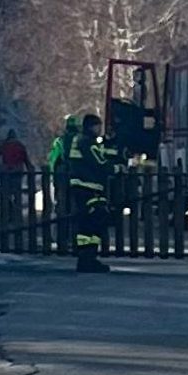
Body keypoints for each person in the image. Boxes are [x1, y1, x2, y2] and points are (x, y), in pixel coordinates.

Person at [69, 114, 112, 274]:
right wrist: (116, 168)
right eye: (97, 126)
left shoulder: (81, 141)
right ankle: (88, 257)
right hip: (88, 187)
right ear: (90, 127)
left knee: (89, 221)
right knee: (96, 218)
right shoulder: (87, 142)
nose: (99, 130)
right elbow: (99, 163)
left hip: (83, 187)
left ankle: (86, 257)